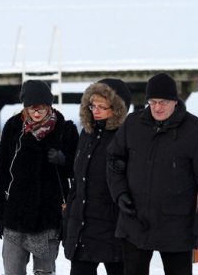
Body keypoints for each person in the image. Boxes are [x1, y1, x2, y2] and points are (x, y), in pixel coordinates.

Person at [106, 73, 198, 275]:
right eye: (153, 102)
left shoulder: (197, 132)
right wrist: (120, 194)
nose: (158, 107)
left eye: (163, 102)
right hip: (135, 222)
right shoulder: (132, 125)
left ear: (175, 101)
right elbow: (114, 161)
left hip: (177, 226)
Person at [0, 80, 79, 275]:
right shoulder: (13, 128)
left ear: (50, 106)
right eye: (32, 108)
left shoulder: (65, 130)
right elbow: (1, 171)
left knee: (45, 272)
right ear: (25, 107)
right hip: (15, 217)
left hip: (47, 219)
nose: (37, 113)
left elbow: (78, 172)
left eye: (42, 108)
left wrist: (64, 160)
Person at [63, 79, 132, 275]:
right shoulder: (87, 133)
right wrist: (67, 221)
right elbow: (77, 182)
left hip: (115, 229)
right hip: (83, 228)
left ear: (117, 108)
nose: (96, 110)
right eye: (93, 105)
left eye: (103, 106)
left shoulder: (127, 136)